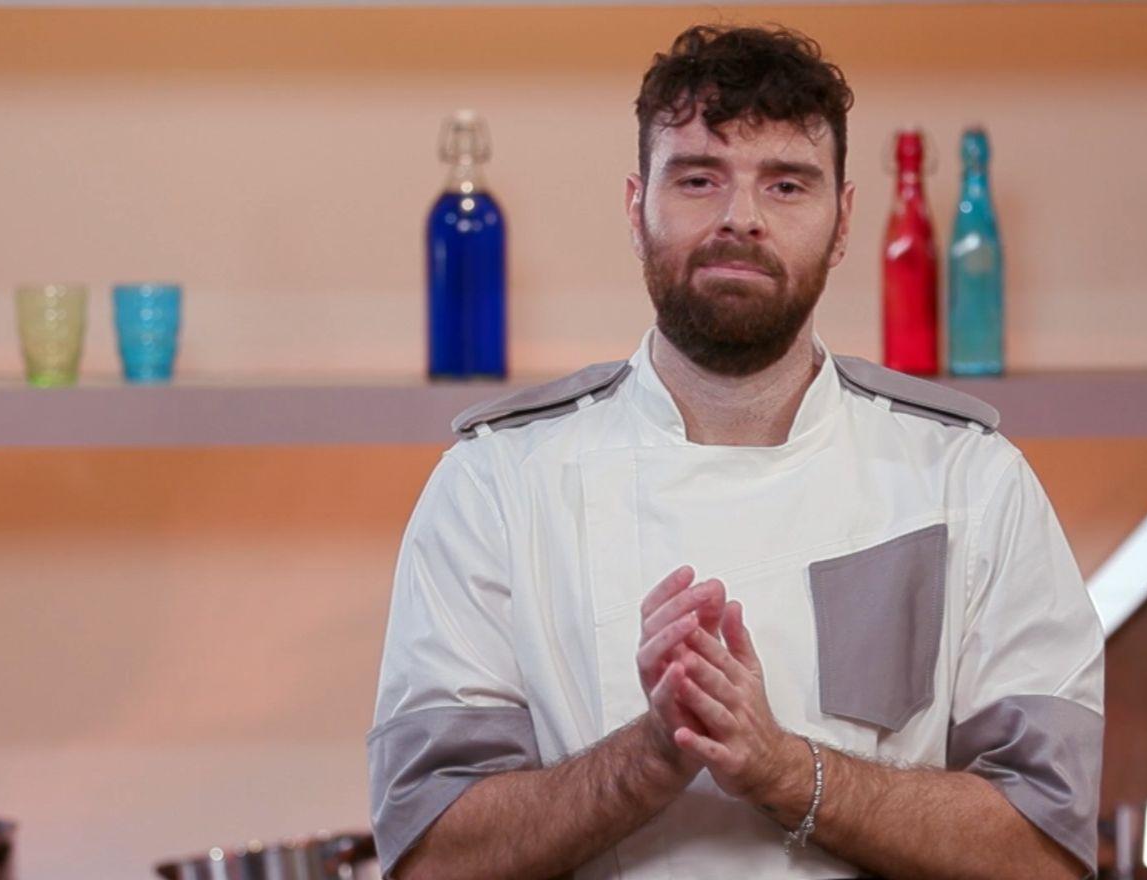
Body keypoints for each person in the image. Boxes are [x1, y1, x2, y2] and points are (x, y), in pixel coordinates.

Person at [366, 24, 1104, 880]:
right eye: (698, 179)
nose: (740, 218)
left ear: (843, 222)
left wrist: (785, 771)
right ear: (636, 209)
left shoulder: (969, 480)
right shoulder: (496, 484)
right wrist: (650, 757)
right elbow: (428, 855)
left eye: (786, 184)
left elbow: (1047, 851)